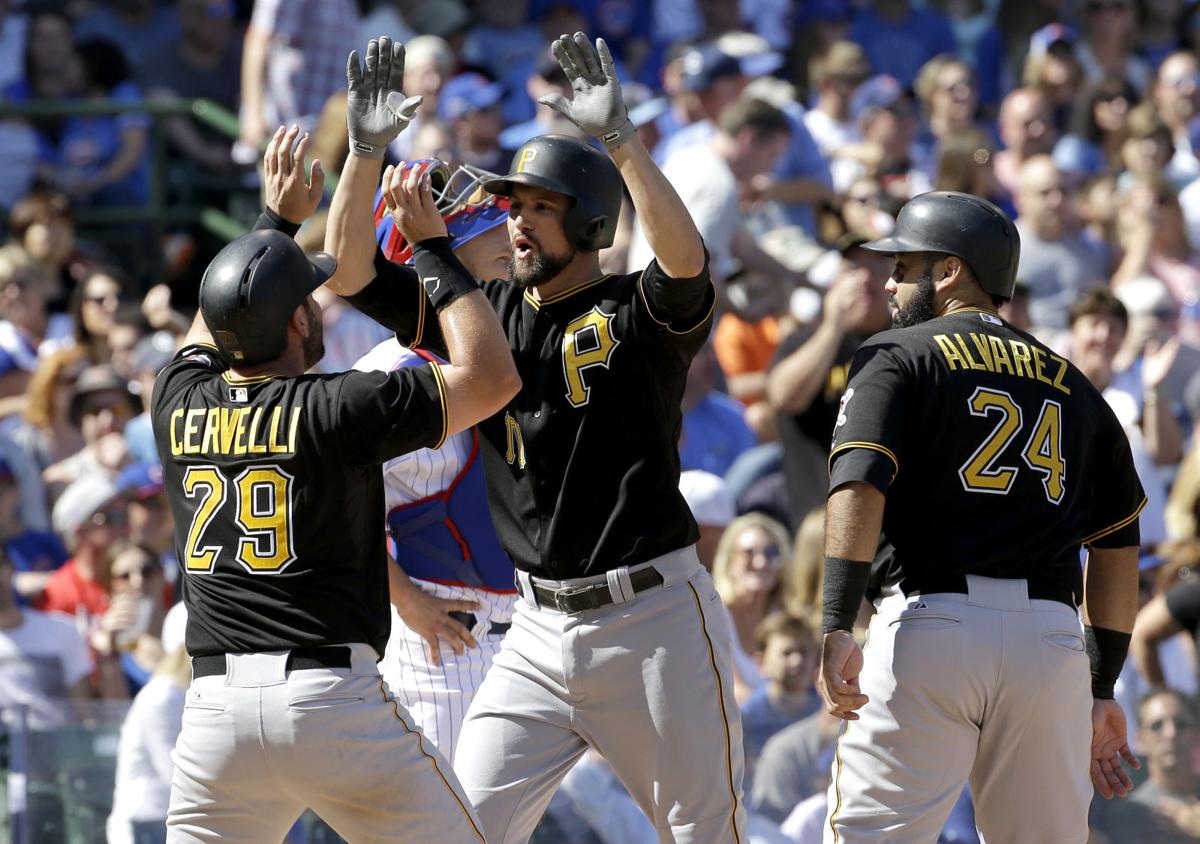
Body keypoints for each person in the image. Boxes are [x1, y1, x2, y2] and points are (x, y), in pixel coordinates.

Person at [329, 31, 746, 842]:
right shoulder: (489, 318)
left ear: (590, 221)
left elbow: (687, 265)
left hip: (651, 618)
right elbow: (346, 270)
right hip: (536, 630)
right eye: (512, 207)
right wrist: (366, 152)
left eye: (539, 207)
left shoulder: (634, 312)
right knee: (457, 827)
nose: (518, 222)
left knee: (703, 833)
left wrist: (621, 144)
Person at [154, 37, 518, 841]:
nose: (322, 307)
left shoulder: (174, 401)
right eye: (308, 301)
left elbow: (212, 322)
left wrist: (272, 223)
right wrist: (432, 254)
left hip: (211, 710)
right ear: (295, 322)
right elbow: (491, 379)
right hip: (329, 699)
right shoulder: (335, 405)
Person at [818, 191, 1147, 841]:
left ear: (949, 272)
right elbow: (1117, 549)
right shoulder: (1076, 386)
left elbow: (859, 484)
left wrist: (833, 620)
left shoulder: (897, 354)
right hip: (1050, 649)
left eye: (904, 266)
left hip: (930, 628)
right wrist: (1101, 685)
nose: (889, 281)